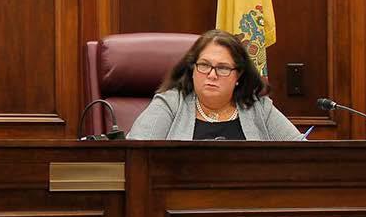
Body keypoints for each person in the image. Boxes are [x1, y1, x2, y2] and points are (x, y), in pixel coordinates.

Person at [128, 29, 303, 141]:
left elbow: (301, 152)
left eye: (223, 68)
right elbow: (135, 154)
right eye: (204, 65)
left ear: (238, 75)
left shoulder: (259, 108)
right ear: (192, 69)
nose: (212, 75)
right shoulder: (171, 103)